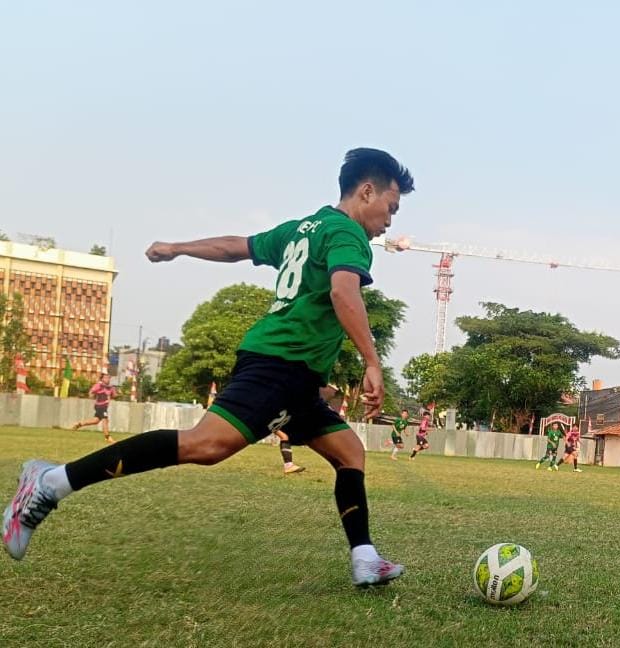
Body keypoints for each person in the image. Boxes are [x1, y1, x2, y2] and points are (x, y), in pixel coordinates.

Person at [3, 147, 414, 587]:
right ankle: (50, 482)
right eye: (390, 208)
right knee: (206, 446)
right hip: (280, 363)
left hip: (297, 376)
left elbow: (236, 247)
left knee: (350, 452)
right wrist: (372, 361)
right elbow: (343, 294)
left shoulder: (304, 227)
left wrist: (179, 248)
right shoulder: (348, 235)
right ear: (367, 191)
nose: (389, 221)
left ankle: (365, 558)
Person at [71, 373, 119, 444]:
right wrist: (91, 395)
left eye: (108, 378)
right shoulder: (99, 385)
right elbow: (91, 392)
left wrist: (117, 394)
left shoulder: (111, 387)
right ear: (102, 379)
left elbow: (114, 395)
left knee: (95, 421)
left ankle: (79, 424)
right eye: (106, 378)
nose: (107, 379)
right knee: (105, 420)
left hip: (104, 406)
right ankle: (107, 437)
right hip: (100, 406)